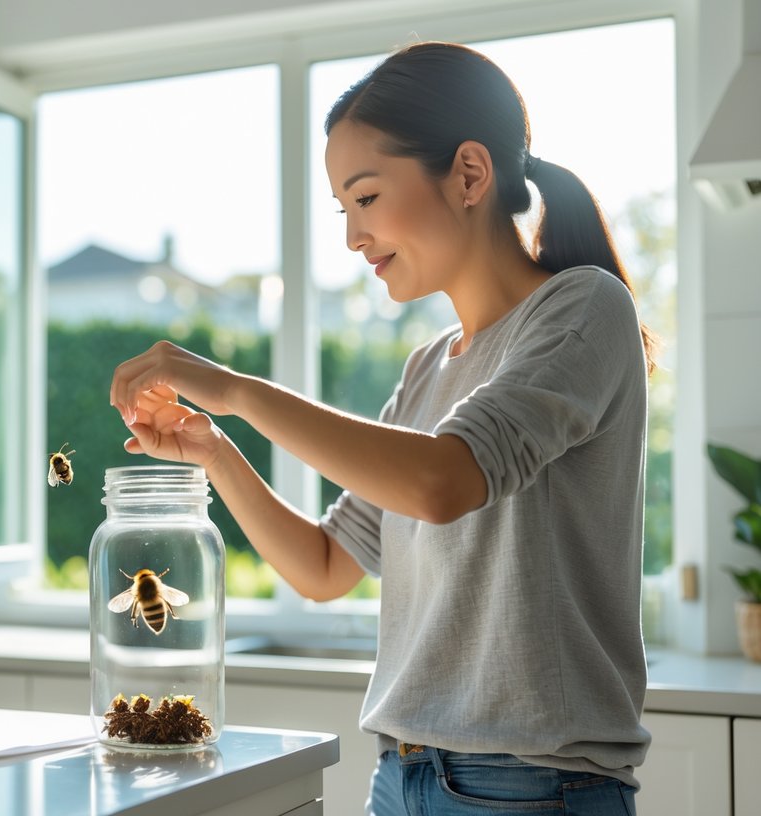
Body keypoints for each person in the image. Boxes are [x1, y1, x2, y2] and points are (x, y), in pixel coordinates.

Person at [109, 41, 652, 815]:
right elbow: (326, 566)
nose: (350, 236)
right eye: (342, 208)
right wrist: (213, 450)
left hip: (529, 786)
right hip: (401, 776)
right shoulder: (429, 369)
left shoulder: (584, 309)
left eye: (364, 198)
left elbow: (443, 481)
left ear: (468, 174)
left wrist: (236, 389)